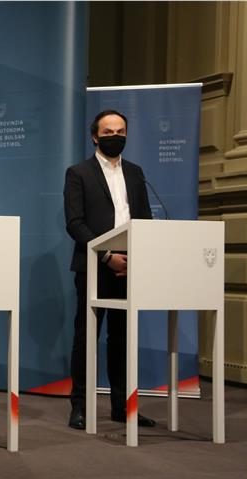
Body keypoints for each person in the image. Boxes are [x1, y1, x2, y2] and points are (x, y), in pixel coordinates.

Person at [63, 109, 156, 430]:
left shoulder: (136, 172)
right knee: (86, 337)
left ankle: (123, 405)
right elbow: (75, 223)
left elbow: (144, 220)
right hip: (94, 265)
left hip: (130, 267)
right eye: (108, 132)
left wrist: (137, 258)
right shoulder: (78, 173)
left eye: (120, 131)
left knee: (123, 339)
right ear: (94, 136)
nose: (115, 136)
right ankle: (80, 406)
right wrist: (106, 256)